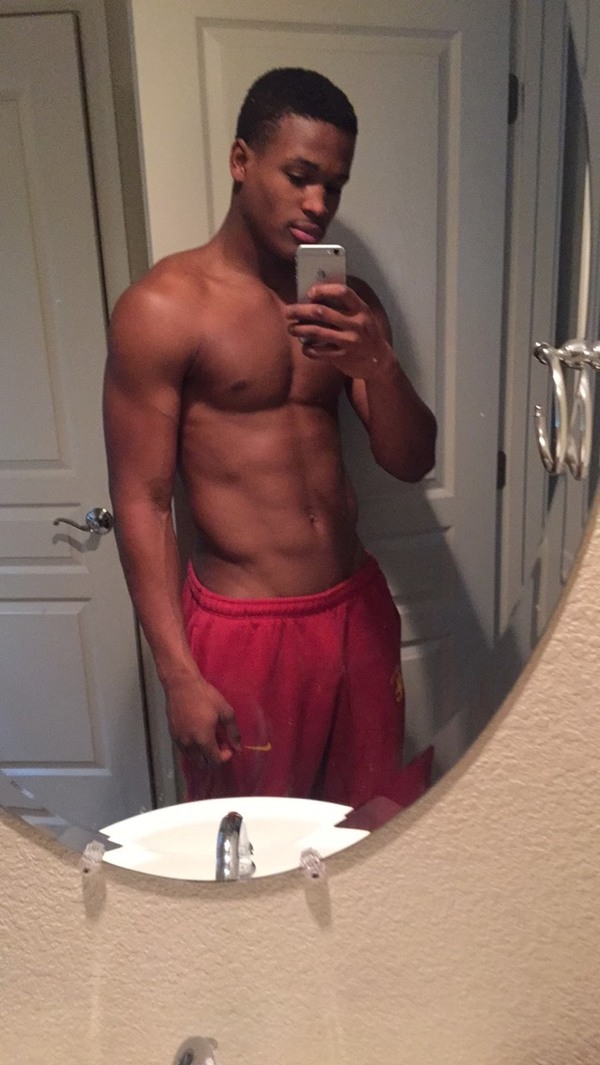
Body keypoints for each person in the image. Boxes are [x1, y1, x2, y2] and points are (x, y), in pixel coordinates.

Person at [103, 68, 436, 810]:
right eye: (300, 176)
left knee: (369, 831)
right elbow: (142, 500)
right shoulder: (163, 309)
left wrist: (378, 365)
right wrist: (178, 675)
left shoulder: (346, 305)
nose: (319, 204)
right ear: (240, 160)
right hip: (244, 633)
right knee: (252, 849)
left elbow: (413, 461)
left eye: (334, 186)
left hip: (355, 610)